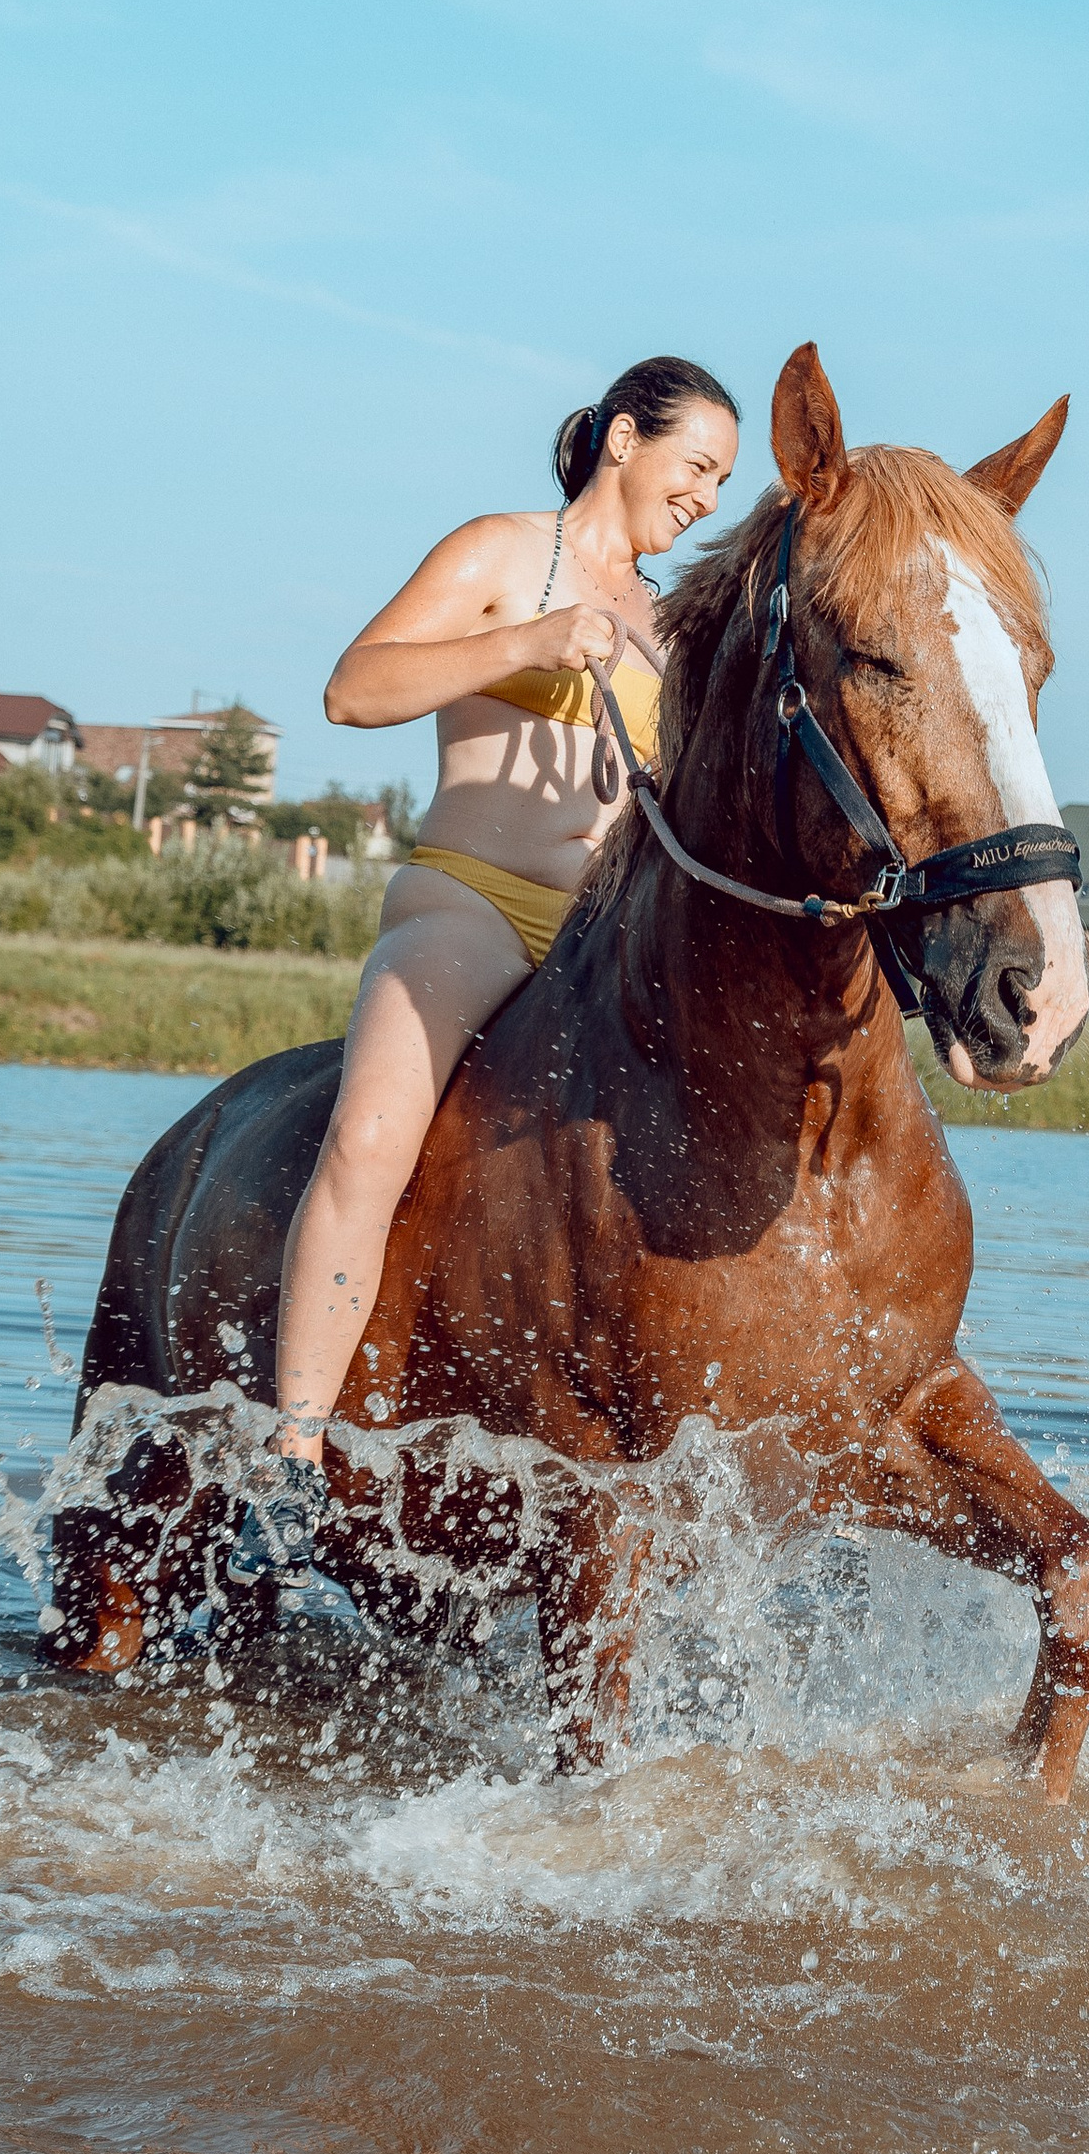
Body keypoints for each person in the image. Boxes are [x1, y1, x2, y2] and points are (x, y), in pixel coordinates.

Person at [274, 355, 741, 1459]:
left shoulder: (671, 628)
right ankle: (287, 1459)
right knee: (368, 1141)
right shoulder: (500, 551)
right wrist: (526, 644)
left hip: (600, 944)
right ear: (625, 440)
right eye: (698, 466)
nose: (707, 499)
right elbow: (353, 689)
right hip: (470, 908)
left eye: (723, 483)